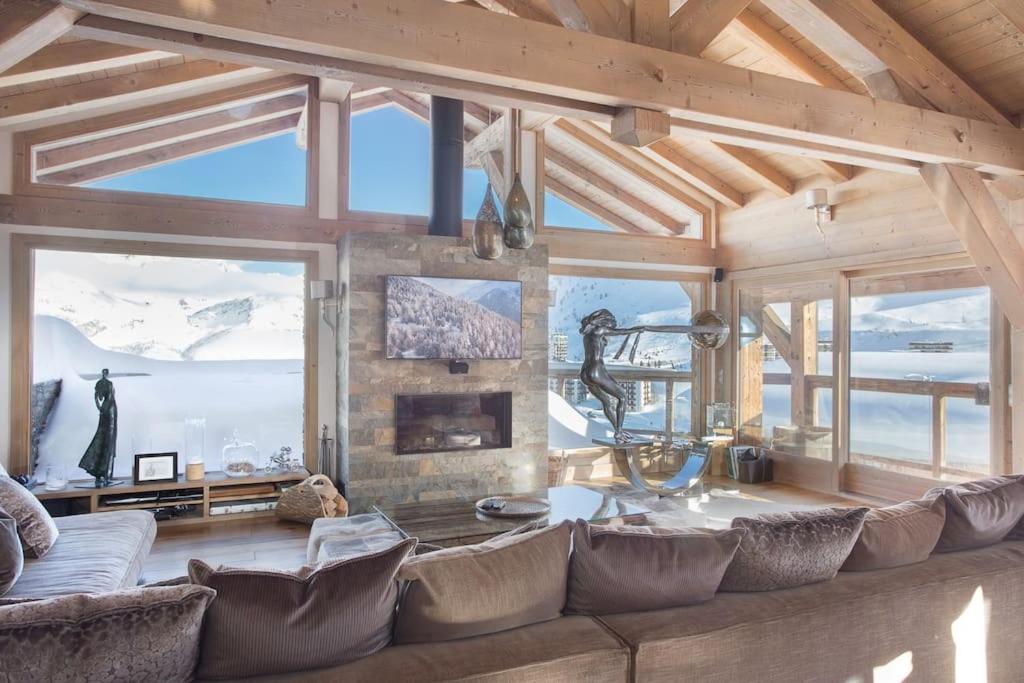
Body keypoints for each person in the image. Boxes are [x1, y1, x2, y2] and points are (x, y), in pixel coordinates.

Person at [78, 369, 117, 487]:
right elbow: (108, 398)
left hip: (106, 410)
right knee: (108, 440)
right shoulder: (109, 384)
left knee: (105, 439)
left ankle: (103, 473)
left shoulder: (99, 383)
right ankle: (104, 473)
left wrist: (100, 408)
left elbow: (97, 397)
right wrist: (103, 408)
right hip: (110, 411)